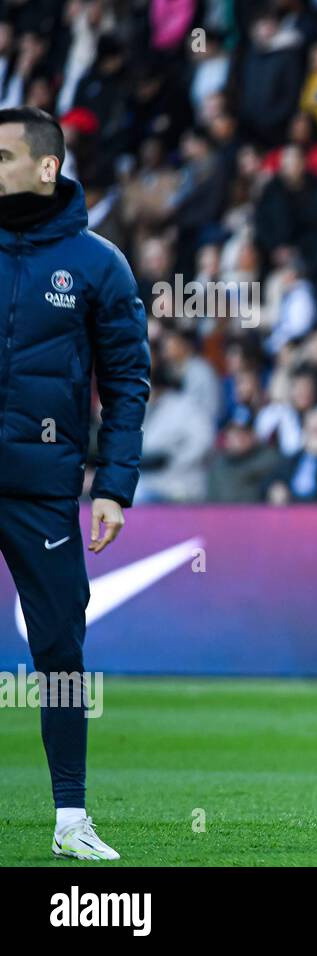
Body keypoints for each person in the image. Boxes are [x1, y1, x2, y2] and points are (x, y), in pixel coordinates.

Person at [0, 107, 150, 859]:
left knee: (59, 655)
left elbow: (128, 382)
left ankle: (69, 821)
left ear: (45, 168)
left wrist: (114, 485)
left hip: (42, 490)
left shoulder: (98, 265)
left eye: (0, 156)